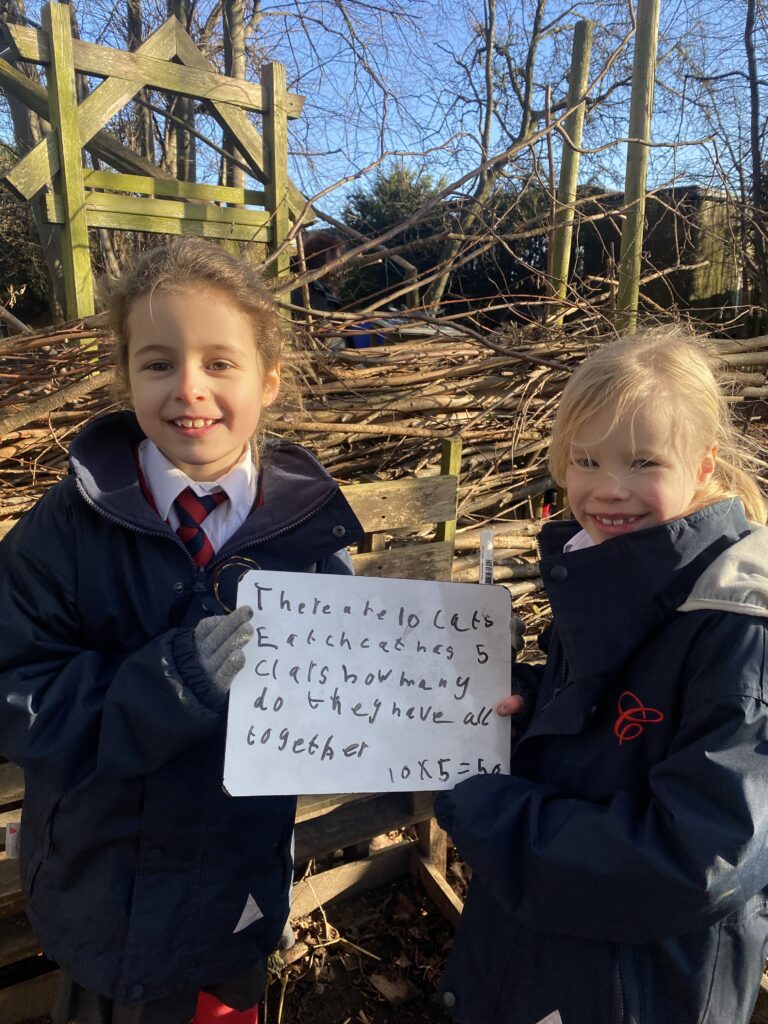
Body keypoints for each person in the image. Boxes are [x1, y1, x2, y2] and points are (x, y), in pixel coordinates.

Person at [0, 238, 363, 1024]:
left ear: (267, 382)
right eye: (159, 363)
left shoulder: (307, 538)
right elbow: (18, 694)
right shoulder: (62, 531)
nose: (189, 389)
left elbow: (346, 700)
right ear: (126, 376)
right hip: (105, 892)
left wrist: (451, 703)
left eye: (220, 363)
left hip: (233, 885)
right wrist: (174, 684)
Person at [434, 329, 768, 1024]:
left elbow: (693, 862)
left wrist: (489, 814)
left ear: (704, 462)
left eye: (642, 461)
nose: (608, 490)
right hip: (559, 961)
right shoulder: (612, 572)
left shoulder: (738, 628)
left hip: (643, 989)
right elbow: (606, 739)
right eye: (586, 460)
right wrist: (530, 719)